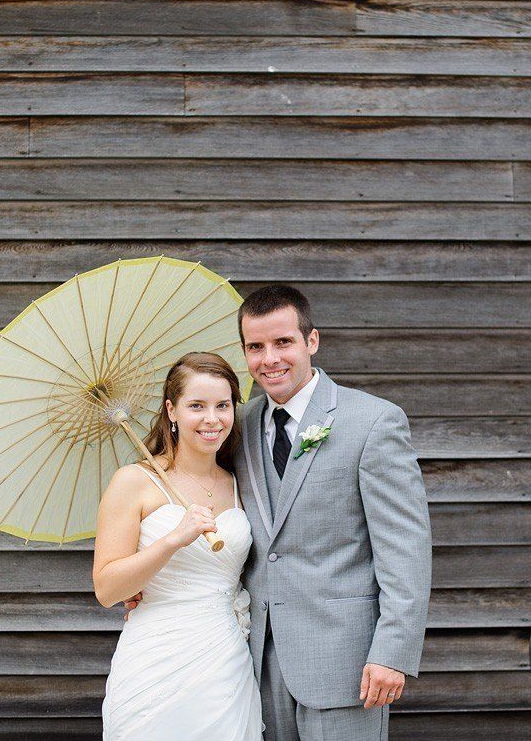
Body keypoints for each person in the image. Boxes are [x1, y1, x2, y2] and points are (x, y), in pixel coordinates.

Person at [236, 284, 432, 741]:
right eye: (255, 347)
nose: (270, 359)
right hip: (257, 662)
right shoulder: (238, 425)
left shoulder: (373, 421)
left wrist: (392, 652)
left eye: (283, 342)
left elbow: (405, 549)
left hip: (348, 660)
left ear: (312, 341)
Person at [94, 352, 262, 740]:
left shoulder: (239, 481)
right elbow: (107, 589)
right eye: (196, 406)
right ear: (171, 410)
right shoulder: (133, 481)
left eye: (223, 405)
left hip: (225, 659)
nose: (212, 419)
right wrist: (173, 540)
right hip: (156, 657)